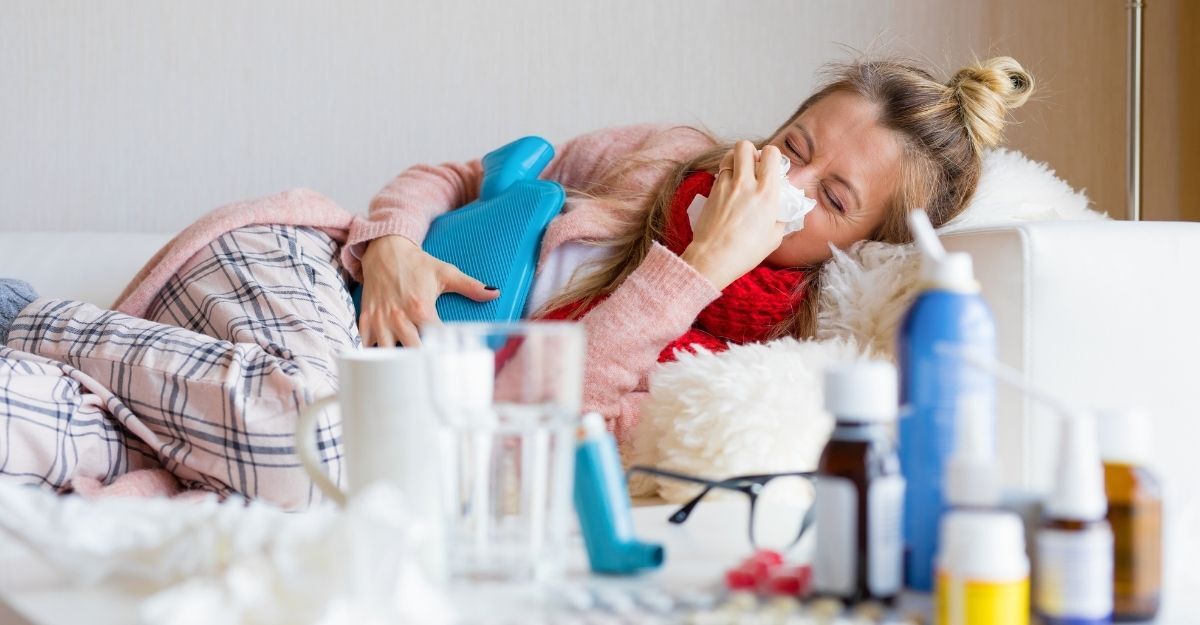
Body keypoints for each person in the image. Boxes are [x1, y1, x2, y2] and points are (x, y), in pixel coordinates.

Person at [0, 56, 1033, 509]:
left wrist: (698, 270)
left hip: (284, 395)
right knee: (322, 449)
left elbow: (538, 415)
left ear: (860, 247)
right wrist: (391, 243)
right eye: (794, 144)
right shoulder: (663, 154)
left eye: (832, 196)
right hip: (302, 279)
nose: (785, 183)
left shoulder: (743, 371)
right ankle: (24, 310)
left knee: (31, 432)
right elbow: (455, 175)